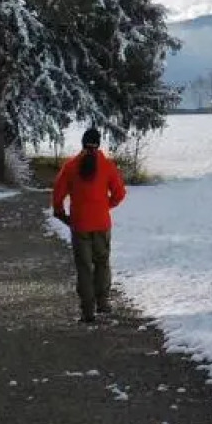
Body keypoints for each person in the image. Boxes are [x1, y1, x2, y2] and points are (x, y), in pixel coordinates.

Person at [51, 126, 126, 323]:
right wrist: (104, 206)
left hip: (80, 224)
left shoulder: (70, 166)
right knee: (102, 263)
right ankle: (103, 303)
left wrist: (60, 212)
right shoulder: (108, 166)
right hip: (101, 223)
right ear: (99, 143)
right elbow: (119, 193)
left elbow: (57, 194)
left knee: (84, 267)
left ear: (83, 143)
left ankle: (87, 311)